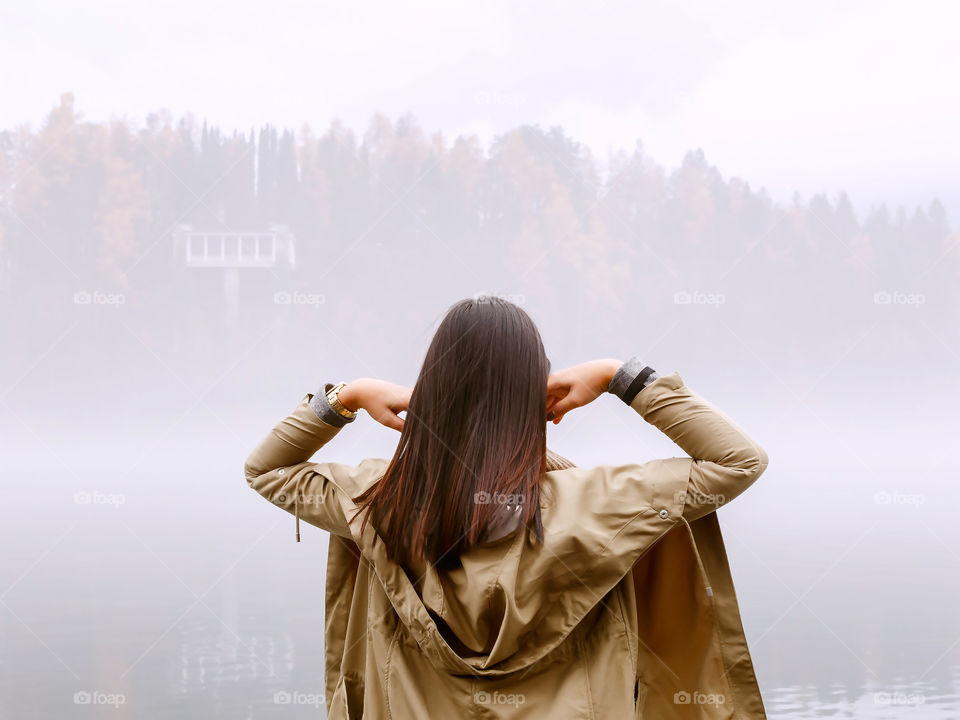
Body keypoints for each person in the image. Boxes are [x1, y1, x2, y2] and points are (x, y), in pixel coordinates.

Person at [245, 295, 770, 719]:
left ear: (431, 390)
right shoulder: (604, 506)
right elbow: (738, 461)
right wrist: (618, 376)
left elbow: (265, 471)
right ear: (539, 394)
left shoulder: (376, 500)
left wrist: (348, 396)